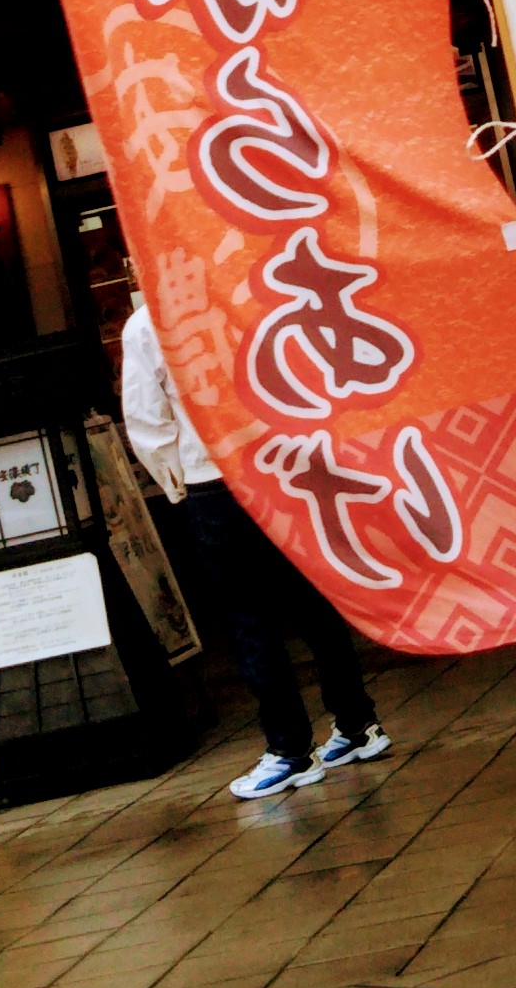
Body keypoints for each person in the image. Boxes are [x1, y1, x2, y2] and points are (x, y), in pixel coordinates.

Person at [118, 292, 387, 798]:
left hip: (215, 478)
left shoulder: (148, 322)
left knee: (250, 619)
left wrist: (176, 482)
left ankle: (290, 749)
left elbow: (148, 423)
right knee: (312, 601)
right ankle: (357, 723)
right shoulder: (245, 290)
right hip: (284, 465)